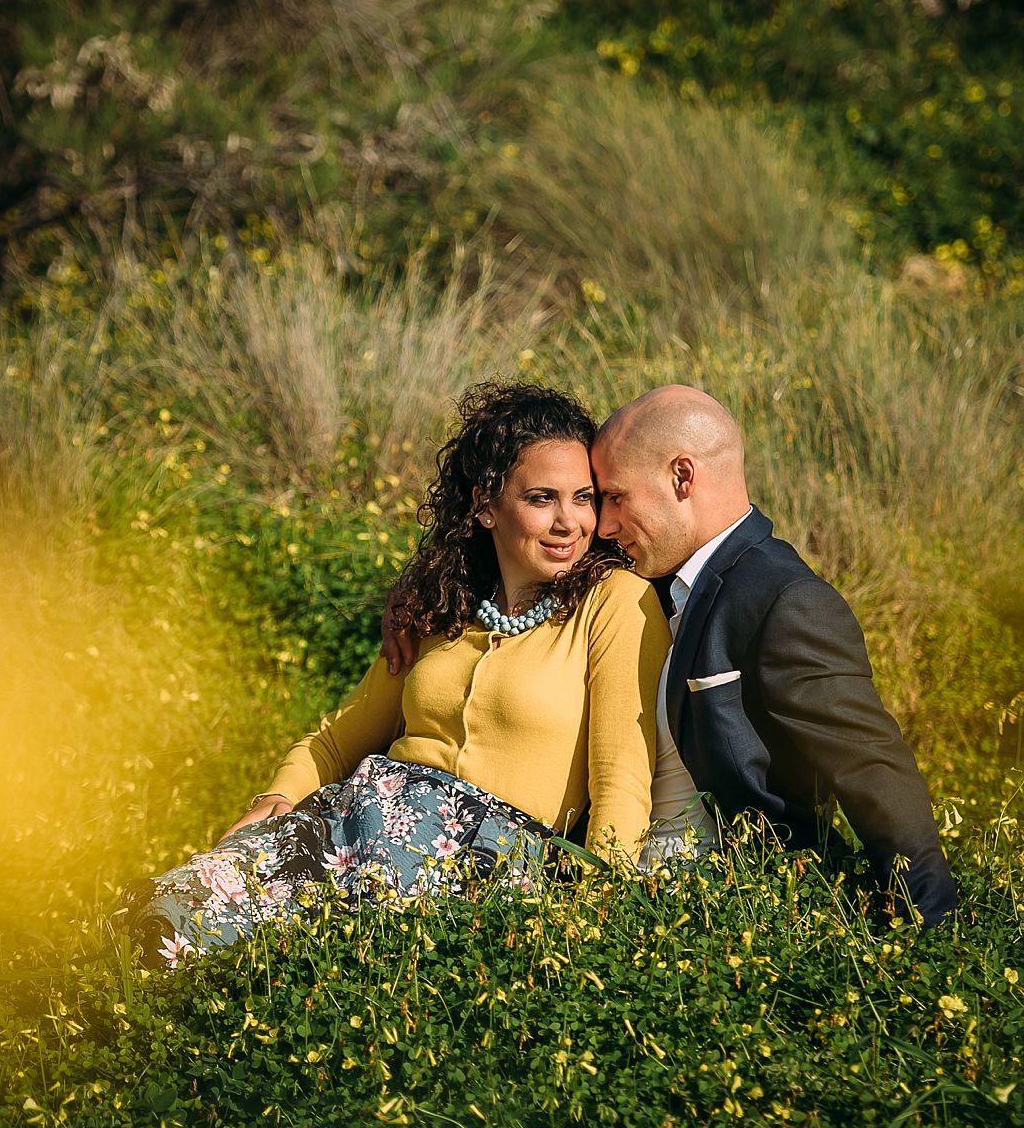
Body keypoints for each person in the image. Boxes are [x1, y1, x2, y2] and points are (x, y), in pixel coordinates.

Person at [129, 382, 669, 969]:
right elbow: (337, 740)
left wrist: (597, 910)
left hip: (479, 861)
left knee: (311, 965)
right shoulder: (441, 605)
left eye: (584, 498)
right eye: (542, 498)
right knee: (168, 920)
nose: (570, 522)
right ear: (485, 505)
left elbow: (620, 778)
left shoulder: (615, 602)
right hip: (356, 824)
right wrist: (280, 795)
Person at [386, 384, 959, 927]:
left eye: (613, 497)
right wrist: (415, 597)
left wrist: (929, 929)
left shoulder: (783, 598)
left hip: (720, 908)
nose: (602, 525)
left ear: (682, 477)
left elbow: (870, 764)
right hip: (598, 881)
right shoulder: (660, 577)